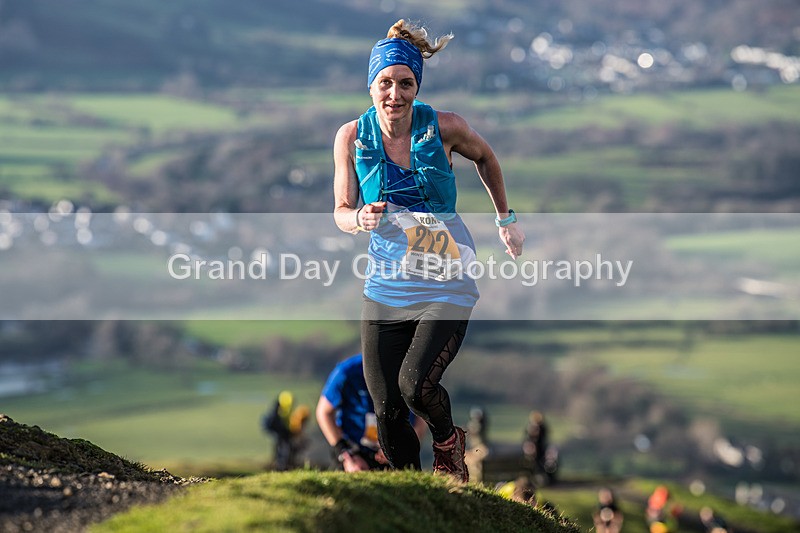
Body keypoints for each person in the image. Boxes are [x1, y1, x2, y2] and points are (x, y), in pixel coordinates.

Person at [333, 19, 524, 483]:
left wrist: (506, 220)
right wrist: (359, 219)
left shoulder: (445, 127)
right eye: (385, 83)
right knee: (388, 410)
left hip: (447, 278)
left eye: (406, 83)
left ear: (417, 86)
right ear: (371, 85)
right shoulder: (351, 137)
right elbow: (340, 209)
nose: (395, 94)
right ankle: (414, 491)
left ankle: (446, 441)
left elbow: (487, 158)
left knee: (416, 387)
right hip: (387, 285)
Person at [316, 353, 426, 472]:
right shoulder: (346, 372)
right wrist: (345, 453)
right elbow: (323, 412)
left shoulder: (408, 372)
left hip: (397, 450)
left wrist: (405, 448)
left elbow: (422, 415)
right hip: (355, 451)